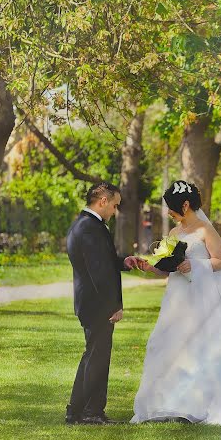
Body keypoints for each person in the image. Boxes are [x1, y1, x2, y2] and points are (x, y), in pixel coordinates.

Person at [130, 180, 221, 424]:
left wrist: (196, 265)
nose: (169, 212)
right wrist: (147, 265)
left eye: (171, 207)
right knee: (169, 346)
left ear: (186, 204)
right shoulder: (174, 233)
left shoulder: (205, 231)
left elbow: (220, 262)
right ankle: (172, 404)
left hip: (201, 300)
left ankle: (202, 404)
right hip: (177, 300)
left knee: (201, 348)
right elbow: (167, 266)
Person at [65, 182, 145, 425]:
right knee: (97, 358)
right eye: (114, 205)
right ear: (102, 201)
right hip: (96, 304)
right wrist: (113, 306)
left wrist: (124, 262)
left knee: (95, 357)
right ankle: (87, 412)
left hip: (92, 303)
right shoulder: (89, 228)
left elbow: (104, 261)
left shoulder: (89, 226)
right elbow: (98, 272)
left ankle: (81, 411)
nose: (115, 210)